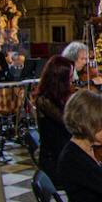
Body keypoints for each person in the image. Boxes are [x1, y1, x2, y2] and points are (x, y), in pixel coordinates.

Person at [32, 55, 76, 186]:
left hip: (64, 153)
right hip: (56, 162)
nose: (72, 80)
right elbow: (68, 123)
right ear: (60, 79)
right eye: (70, 77)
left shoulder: (59, 97)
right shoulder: (44, 100)